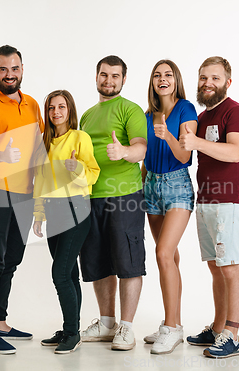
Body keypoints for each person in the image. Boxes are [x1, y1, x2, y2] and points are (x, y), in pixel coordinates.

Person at [0, 45, 44, 355]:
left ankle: (1, 321)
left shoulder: (31, 105)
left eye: (14, 69)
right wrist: (3, 153)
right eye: (3, 69)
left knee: (13, 257)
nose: (9, 75)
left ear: (22, 69)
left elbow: (39, 149)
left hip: (24, 191)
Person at [179, 56, 239, 359]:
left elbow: (235, 152)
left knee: (231, 267)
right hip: (207, 201)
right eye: (203, 78)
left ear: (227, 82)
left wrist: (196, 143)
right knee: (215, 267)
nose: (208, 83)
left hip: (231, 201)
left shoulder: (236, 113)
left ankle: (232, 335)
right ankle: (218, 326)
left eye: (215, 78)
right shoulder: (202, 115)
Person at [79, 55, 147, 351]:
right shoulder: (86, 115)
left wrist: (123, 152)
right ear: (96, 78)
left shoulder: (129, 110)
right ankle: (107, 323)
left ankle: (127, 328)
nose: (108, 80)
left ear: (123, 80)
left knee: (128, 262)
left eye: (115, 76)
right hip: (91, 196)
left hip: (125, 195)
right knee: (98, 262)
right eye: (104, 75)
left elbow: (140, 149)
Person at [32, 90, 100, 354]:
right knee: (69, 273)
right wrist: (39, 214)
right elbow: (41, 181)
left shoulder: (79, 137)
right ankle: (70, 328)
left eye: (61, 107)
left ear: (70, 110)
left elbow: (93, 172)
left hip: (76, 209)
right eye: (51, 108)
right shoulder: (44, 143)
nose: (56, 112)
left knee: (59, 273)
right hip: (54, 211)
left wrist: (77, 169)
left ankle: (72, 333)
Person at [140, 60, 198, 354]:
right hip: (151, 185)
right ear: (152, 81)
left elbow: (185, 155)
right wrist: (140, 189)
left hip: (177, 186)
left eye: (168, 75)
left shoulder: (186, 109)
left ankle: (172, 328)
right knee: (169, 257)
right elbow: (144, 157)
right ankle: (170, 322)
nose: (162, 79)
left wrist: (169, 135)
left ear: (176, 80)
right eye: (157, 75)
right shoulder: (147, 114)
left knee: (162, 253)